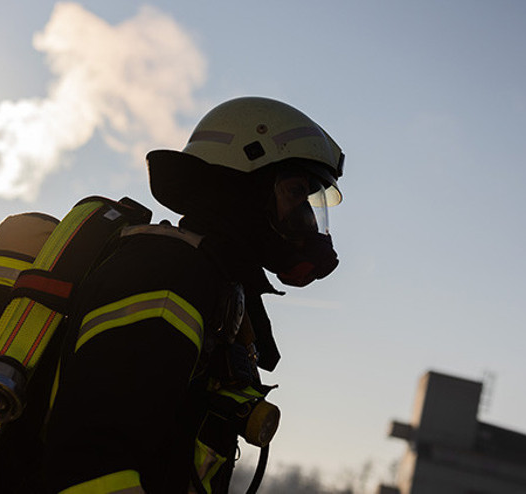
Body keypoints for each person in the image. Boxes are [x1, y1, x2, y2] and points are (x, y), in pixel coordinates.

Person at [20, 96, 345, 493]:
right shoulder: (168, 276)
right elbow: (90, 466)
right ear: (244, 181)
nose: (307, 219)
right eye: (296, 192)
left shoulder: (213, 290)